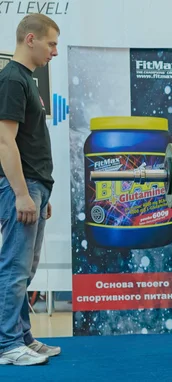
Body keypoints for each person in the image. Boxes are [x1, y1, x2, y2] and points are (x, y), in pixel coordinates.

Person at [0, 14, 61, 366]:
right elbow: (5, 140)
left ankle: (22, 336)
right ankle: (7, 344)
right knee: (14, 267)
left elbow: (27, 141)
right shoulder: (11, 79)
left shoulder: (26, 79)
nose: (54, 51)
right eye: (51, 43)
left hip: (35, 186)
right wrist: (22, 193)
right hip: (20, 189)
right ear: (30, 39)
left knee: (25, 268)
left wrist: (39, 192)